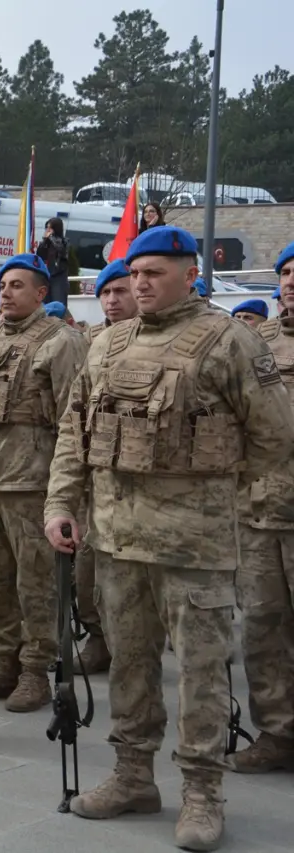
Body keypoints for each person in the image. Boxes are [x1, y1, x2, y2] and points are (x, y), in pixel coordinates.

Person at [43, 225, 294, 851]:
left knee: (202, 672)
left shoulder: (229, 341)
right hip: (118, 542)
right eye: (135, 273)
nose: (141, 283)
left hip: (197, 548)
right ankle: (133, 776)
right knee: (129, 663)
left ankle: (202, 793)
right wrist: (60, 504)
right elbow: (74, 431)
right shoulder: (106, 344)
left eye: (155, 273)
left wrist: (220, 493)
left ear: (190, 273)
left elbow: (276, 436)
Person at [0, 253, 86, 713]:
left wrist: (66, 494)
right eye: (2, 285)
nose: (6, 293)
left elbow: (76, 417)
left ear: (40, 294)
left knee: (36, 583)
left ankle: (36, 669)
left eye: (16, 286)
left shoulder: (61, 341)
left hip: (31, 484)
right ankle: (5, 662)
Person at [232, 239, 294, 775]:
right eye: (287, 273)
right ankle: (277, 734)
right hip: (260, 511)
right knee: (261, 627)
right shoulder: (257, 344)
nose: (292, 281)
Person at [70, 258, 140, 675]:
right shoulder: (92, 342)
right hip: (98, 475)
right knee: (88, 569)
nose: (112, 301)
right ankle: (99, 640)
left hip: (145, 477)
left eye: (119, 291)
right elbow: (74, 415)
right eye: (105, 293)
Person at [36, 217, 71, 305]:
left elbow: (61, 250)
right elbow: (40, 254)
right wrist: (44, 241)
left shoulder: (65, 241)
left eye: (50, 228)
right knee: (45, 302)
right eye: (47, 228)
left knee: (58, 302)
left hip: (59, 277)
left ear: (56, 229)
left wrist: (50, 237)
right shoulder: (48, 242)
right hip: (48, 275)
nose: (48, 230)